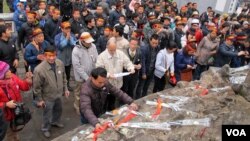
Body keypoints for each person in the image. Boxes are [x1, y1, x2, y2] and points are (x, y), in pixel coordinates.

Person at [33, 45, 70, 138]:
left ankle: (55, 121)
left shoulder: (60, 63)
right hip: (47, 97)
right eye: (49, 56)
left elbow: (64, 77)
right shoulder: (39, 70)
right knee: (47, 114)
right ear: (45, 56)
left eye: (54, 55)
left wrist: (65, 89)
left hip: (58, 94)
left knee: (58, 110)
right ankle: (45, 128)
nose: (52, 58)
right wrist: (40, 100)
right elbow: (36, 87)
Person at [96, 38, 135, 110]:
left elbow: (127, 62)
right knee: (103, 102)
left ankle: (111, 112)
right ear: (107, 47)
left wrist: (131, 68)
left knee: (113, 101)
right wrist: (108, 75)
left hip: (117, 84)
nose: (113, 52)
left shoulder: (120, 53)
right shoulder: (101, 56)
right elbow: (99, 69)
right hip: (106, 84)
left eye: (114, 50)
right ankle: (102, 113)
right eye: (111, 50)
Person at [0, 61, 32, 141]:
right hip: (5, 118)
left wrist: (28, 81)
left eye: (8, 69)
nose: (10, 71)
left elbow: (24, 87)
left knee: (15, 131)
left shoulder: (13, 77)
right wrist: (6, 104)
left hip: (16, 113)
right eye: (6, 71)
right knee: (10, 134)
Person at [72, 32, 98, 115]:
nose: (90, 43)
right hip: (80, 77)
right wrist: (86, 78)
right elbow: (77, 66)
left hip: (92, 74)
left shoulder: (93, 46)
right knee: (79, 93)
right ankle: (78, 107)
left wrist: (95, 73)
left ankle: (88, 106)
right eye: (88, 42)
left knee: (90, 92)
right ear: (82, 41)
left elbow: (96, 59)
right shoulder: (76, 50)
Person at [54, 21, 77, 91]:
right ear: (62, 29)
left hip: (69, 58)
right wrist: (66, 39)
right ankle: (61, 87)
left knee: (68, 74)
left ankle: (67, 86)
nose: (68, 30)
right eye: (66, 28)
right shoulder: (57, 36)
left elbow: (74, 45)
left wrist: (70, 39)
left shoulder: (72, 35)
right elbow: (60, 46)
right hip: (60, 58)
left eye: (69, 28)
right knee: (60, 73)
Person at [136, 34, 160, 99]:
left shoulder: (158, 48)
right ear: (150, 41)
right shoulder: (144, 48)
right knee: (140, 85)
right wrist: (143, 73)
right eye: (153, 43)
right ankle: (137, 98)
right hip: (144, 70)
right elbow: (143, 61)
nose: (154, 45)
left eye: (156, 43)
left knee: (146, 86)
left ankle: (144, 98)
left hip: (152, 70)